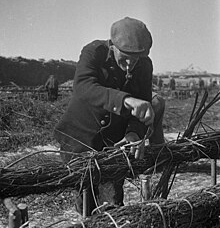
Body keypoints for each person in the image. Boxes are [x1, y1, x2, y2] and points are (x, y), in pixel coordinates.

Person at [54, 17, 165, 216]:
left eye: (137, 57)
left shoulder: (145, 66)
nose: (131, 62)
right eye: (125, 56)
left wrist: (133, 133)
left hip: (114, 143)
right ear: (112, 45)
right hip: (80, 139)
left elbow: (144, 106)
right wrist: (126, 100)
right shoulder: (94, 53)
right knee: (86, 198)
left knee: (112, 203)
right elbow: (83, 87)